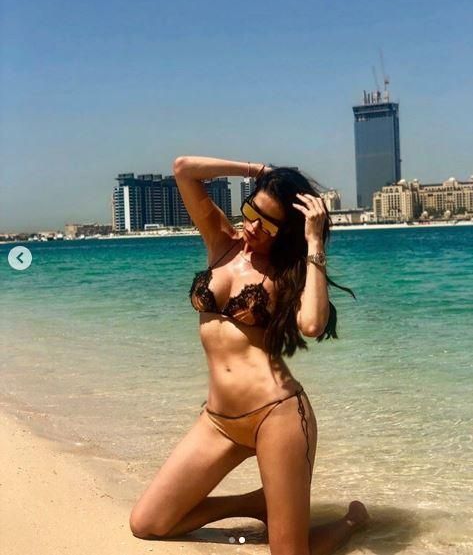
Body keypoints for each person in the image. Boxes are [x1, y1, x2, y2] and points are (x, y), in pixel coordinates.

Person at [129, 156, 369, 555]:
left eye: (268, 223)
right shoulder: (222, 242)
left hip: (276, 416)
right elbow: (184, 169)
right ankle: (252, 503)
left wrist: (314, 242)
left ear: (286, 231)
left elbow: (312, 324)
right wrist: (258, 171)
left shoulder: (286, 273)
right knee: (148, 523)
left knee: (289, 553)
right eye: (251, 211)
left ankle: (352, 521)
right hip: (218, 421)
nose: (253, 226)